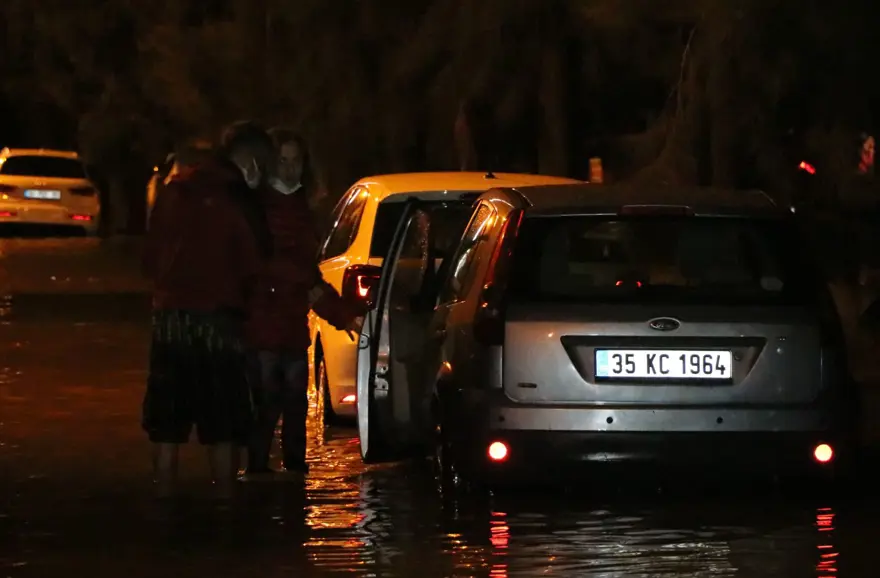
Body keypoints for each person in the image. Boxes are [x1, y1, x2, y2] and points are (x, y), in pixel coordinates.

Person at [141, 121, 274, 499]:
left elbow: (149, 260)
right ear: (249, 162)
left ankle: (163, 510)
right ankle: (226, 516)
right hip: (219, 322)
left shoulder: (173, 193)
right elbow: (254, 262)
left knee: (165, 428)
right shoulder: (239, 200)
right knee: (224, 428)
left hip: (170, 322)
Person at [243, 127, 365, 477]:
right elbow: (278, 268)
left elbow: (307, 276)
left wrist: (344, 316)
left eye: (295, 161)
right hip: (264, 324)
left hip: (292, 325)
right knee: (267, 406)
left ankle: (290, 477)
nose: (289, 168)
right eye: (283, 160)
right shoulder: (260, 209)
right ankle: (259, 473)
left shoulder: (302, 209)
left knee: (294, 404)